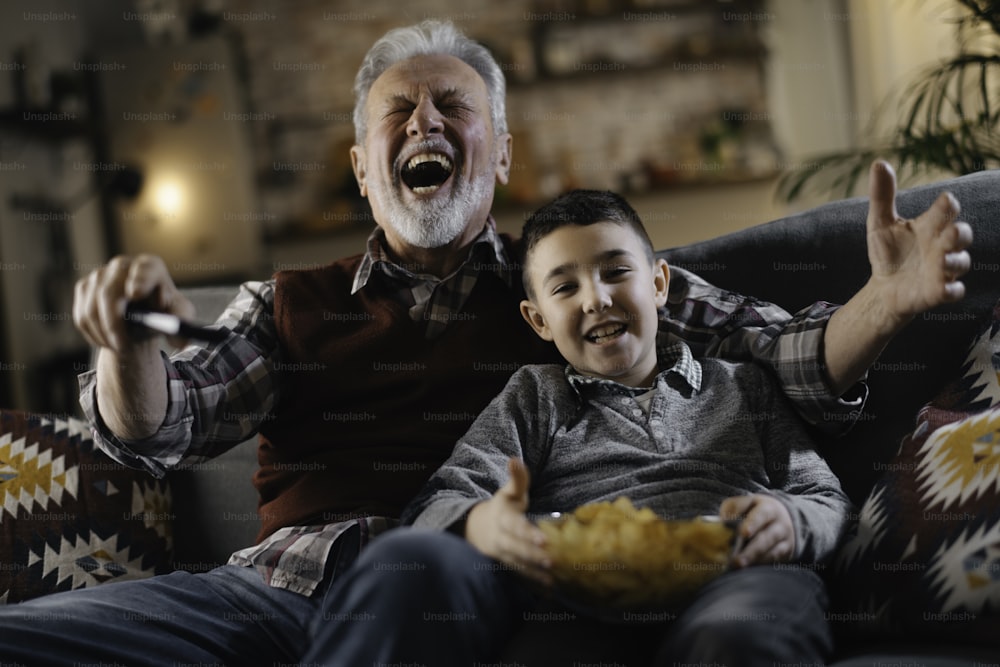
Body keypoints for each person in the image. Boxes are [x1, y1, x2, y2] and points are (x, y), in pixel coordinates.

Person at [0, 18, 970, 667]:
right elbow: (153, 434)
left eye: (453, 107)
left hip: (452, 577)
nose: (425, 120)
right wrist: (127, 353)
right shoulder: (287, 302)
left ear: (499, 152)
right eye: (398, 111)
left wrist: (883, 304)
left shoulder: (569, 280)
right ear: (362, 167)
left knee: (411, 570)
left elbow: (778, 355)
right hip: (278, 585)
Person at [398, 188, 853, 666]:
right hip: (589, 601)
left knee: (737, 640)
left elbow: (826, 498)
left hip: (738, 577)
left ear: (658, 285)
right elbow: (435, 502)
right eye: (565, 288)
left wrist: (792, 522)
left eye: (615, 272)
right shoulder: (534, 396)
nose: (596, 299)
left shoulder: (744, 385)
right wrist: (483, 522)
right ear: (539, 321)